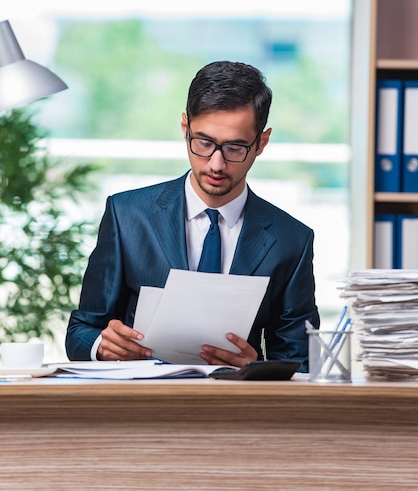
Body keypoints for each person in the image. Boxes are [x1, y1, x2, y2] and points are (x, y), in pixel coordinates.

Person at [66, 60, 319, 370]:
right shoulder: (127, 215)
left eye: (235, 148)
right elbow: (80, 332)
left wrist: (257, 368)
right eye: (204, 142)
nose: (216, 164)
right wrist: (102, 346)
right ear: (185, 128)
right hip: (142, 407)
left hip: (237, 410)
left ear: (261, 143)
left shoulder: (291, 239)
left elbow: (301, 363)